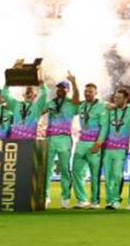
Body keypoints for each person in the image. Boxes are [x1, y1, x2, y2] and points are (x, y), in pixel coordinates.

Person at [44, 72, 80, 209]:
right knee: (47, 170)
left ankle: (65, 198)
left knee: (65, 170)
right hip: (50, 138)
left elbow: (77, 98)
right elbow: (40, 111)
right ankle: (45, 197)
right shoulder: (51, 103)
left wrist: (74, 82)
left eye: (63, 88)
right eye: (58, 88)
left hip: (65, 138)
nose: (60, 90)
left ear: (68, 90)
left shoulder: (72, 103)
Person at [72, 83, 107, 209]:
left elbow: (104, 127)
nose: (87, 93)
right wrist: (74, 82)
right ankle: (82, 200)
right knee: (76, 171)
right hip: (81, 143)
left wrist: (99, 143)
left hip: (94, 144)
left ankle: (95, 201)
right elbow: (73, 101)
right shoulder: (81, 106)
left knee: (94, 174)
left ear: (96, 93)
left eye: (90, 91)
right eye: (86, 91)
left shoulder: (102, 107)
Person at [101, 87, 130, 210]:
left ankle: (116, 199)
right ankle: (110, 200)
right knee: (108, 176)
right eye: (115, 98)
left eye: (119, 98)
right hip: (108, 148)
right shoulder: (110, 110)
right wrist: (107, 104)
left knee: (117, 175)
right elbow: (101, 104)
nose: (116, 100)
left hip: (121, 148)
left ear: (126, 99)